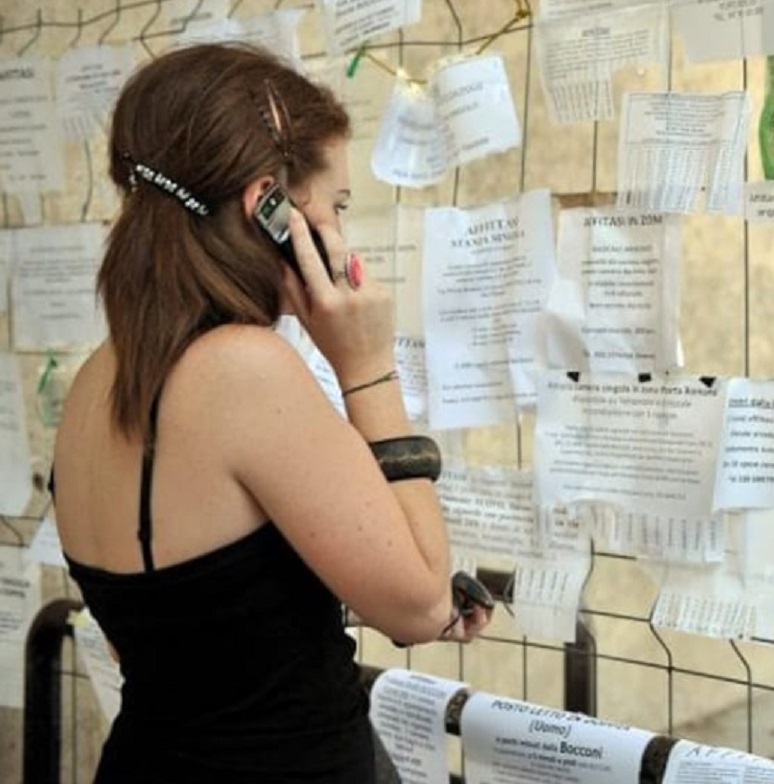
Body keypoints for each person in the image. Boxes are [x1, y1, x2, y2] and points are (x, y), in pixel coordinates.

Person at [50, 42, 488, 783]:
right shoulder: (242, 369)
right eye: (337, 207)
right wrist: (366, 365)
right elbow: (419, 605)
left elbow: (173, 637)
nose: (343, 236)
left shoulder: (98, 381)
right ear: (269, 207)